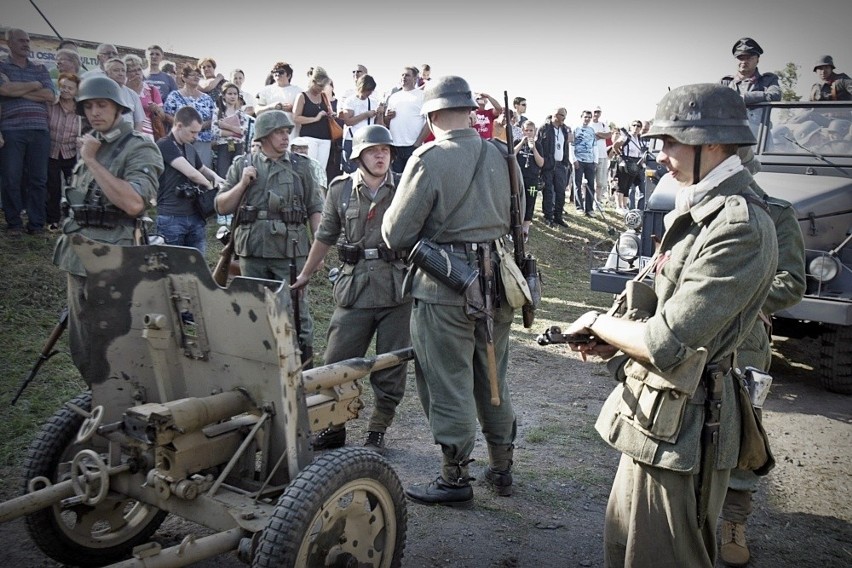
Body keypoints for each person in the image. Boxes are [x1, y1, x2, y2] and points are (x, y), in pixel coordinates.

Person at [563, 83, 778, 568]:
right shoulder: (703, 209)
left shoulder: (738, 224)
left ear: (712, 143)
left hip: (690, 428)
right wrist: (613, 341)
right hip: (659, 419)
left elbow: (667, 341)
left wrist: (597, 320)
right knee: (626, 549)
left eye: (671, 142)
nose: (660, 156)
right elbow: (664, 312)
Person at [382, 75, 520, 507]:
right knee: (493, 375)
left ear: (433, 114)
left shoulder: (429, 158)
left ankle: (454, 477)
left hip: (445, 287)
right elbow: (517, 216)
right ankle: (502, 468)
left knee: (448, 382)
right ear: (470, 112)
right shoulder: (502, 154)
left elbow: (395, 233)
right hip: (498, 284)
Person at [292, 125, 411, 454]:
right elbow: (324, 236)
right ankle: (333, 426)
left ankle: (378, 428)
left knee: (391, 365)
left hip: (397, 289)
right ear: (359, 155)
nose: (380, 155)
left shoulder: (405, 187)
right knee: (336, 362)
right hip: (354, 287)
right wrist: (305, 274)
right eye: (373, 150)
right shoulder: (341, 189)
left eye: (385, 150)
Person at [718, 154, 806, 568]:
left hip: (746, 337)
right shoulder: (695, 213)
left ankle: (733, 522)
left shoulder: (775, 213)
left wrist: (733, 296)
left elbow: (790, 282)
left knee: (741, 429)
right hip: (692, 332)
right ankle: (688, 517)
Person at [52, 75, 163, 379]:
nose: (94, 112)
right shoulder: (93, 145)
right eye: (88, 106)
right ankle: (98, 401)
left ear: (118, 109)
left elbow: (134, 204)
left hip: (114, 260)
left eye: (102, 105)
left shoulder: (138, 147)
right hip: (78, 257)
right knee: (83, 344)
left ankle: (119, 402)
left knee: (115, 345)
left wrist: (92, 161)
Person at [214, 110, 324, 366]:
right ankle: (260, 365)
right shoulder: (243, 165)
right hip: (253, 249)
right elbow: (221, 206)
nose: (286, 137)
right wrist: (242, 184)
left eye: (287, 131)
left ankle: (303, 368)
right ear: (263, 136)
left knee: (296, 312)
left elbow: (315, 209)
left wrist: (318, 249)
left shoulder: (302, 165)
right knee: (255, 308)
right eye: (279, 132)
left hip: (291, 250)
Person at [0, 28, 56, 237]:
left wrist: (16, 88)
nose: (26, 44)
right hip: (11, 129)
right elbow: (4, 91)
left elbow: (50, 95)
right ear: (9, 43)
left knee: (38, 180)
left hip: (40, 130)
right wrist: (34, 85)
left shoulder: (40, 68)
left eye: (28, 40)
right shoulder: (2, 66)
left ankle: (36, 224)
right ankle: (14, 224)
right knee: (11, 179)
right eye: (21, 40)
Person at [156, 105, 223, 254]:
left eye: (197, 132)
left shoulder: (190, 147)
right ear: (179, 126)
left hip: (195, 215)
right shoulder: (164, 144)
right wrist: (210, 188)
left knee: (198, 267)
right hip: (171, 217)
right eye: (192, 132)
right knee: (173, 268)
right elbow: (191, 173)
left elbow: (203, 169)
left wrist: (218, 179)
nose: (196, 137)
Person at [720, 38, 781, 133]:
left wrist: (744, 98)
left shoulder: (768, 80)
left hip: (759, 139)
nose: (744, 61)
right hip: (731, 136)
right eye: (740, 58)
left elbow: (775, 95)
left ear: (757, 60)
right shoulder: (725, 83)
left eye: (748, 58)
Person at [46, 72, 81, 232]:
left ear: (76, 91)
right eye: (63, 87)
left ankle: (71, 219)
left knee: (72, 187)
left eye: (70, 88)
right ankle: (53, 220)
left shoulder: (81, 110)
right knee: (52, 187)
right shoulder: (51, 104)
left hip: (71, 153)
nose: (66, 90)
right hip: (51, 152)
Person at [163, 64, 216, 167]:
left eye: (198, 75)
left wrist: (198, 127)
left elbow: (213, 118)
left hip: (202, 140)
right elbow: (167, 115)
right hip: (180, 140)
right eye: (193, 75)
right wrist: (185, 127)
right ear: (184, 77)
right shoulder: (174, 96)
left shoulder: (207, 98)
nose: (197, 77)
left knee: (203, 170)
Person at [292, 66, 335, 176]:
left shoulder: (324, 96)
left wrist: (331, 115)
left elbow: (330, 110)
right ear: (313, 81)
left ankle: (319, 193)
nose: (321, 89)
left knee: (320, 172)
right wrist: (315, 118)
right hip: (309, 137)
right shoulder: (302, 96)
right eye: (319, 86)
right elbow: (296, 117)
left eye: (323, 87)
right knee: (309, 171)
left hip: (325, 138)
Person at [384, 66, 428, 173]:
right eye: (402, 75)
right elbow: (386, 123)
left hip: (413, 147)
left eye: (407, 75)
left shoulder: (423, 96)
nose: (404, 77)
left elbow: (430, 122)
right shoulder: (394, 97)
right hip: (395, 147)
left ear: (415, 78)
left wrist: (417, 143)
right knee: (396, 182)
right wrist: (388, 117)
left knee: (413, 182)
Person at [536, 107, 573, 227]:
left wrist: (565, 163)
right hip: (548, 164)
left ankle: (558, 216)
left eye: (565, 116)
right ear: (555, 115)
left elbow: (565, 146)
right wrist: (542, 162)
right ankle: (548, 216)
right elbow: (539, 145)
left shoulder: (564, 129)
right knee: (548, 192)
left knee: (561, 191)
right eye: (562, 115)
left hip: (560, 165)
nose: (564, 118)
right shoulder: (544, 128)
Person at [340, 73, 383, 174]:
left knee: (366, 171)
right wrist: (366, 115)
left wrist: (380, 114)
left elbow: (378, 125)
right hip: (352, 140)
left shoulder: (373, 102)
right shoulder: (350, 101)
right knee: (351, 171)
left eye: (371, 90)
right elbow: (348, 121)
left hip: (368, 141)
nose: (369, 93)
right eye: (367, 90)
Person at [514, 120, 544, 241]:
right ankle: (515, 226)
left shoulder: (539, 145)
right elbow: (510, 155)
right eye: (526, 130)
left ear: (535, 131)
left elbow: (541, 163)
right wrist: (522, 143)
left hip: (532, 178)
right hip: (518, 177)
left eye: (531, 130)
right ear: (522, 131)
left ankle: (526, 228)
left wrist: (534, 149)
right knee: (516, 201)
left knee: (530, 201)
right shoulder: (517, 142)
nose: (528, 133)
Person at [123, 54, 164, 140]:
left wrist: (156, 109)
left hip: (147, 134)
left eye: (139, 69)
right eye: (133, 70)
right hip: (126, 131)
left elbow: (162, 116)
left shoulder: (151, 90)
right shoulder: (122, 90)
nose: (137, 73)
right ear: (126, 73)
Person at [611, 120, 648, 211]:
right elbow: (615, 146)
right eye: (634, 125)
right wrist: (620, 154)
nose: (636, 127)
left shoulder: (639, 138)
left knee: (628, 185)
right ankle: (619, 206)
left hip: (635, 163)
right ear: (631, 126)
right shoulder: (626, 137)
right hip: (625, 162)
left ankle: (624, 205)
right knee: (622, 184)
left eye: (638, 126)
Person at [103, 57, 145, 133]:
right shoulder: (100, 92)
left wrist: (133, 139)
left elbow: (139, 122)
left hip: (128, 138)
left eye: (123, 70)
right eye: (116, 70)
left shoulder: (132, 94)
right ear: (106, 73)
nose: (121, 73)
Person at [255, 61, 302, 126]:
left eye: (281, 72)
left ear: (289, 75)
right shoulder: (265, 90)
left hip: (292, 132)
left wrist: (294, 109)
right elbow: (257, 111)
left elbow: (305, 112)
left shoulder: (298, 91)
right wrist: (272, 107)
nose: (277, 74)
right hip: (270, 129)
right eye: (274, 72)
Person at [570, 110, 598, 216]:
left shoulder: (591, 130)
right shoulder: (575, 129)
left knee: (591, 185)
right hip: (579, 160)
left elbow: (594, 146)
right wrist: (574, 160)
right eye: (585, 117)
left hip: (590, 161)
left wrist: (595, 160)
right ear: (581, 117)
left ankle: (589, 208)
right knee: (578, 184)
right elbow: (571, 145)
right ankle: (579, 207)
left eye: (589, 117)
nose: (587, 119)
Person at [591, 107, 612, 205]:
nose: (596, 113)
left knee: (600, 181)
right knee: (588, 181)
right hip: (590, 156)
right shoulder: (588, 124)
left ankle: (598, 201)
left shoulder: (603, 125)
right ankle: (588, 201)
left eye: (598, 112)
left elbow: (608, 135)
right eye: (595, 111)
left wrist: (598, 134)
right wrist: (601, 135)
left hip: (602, 155)